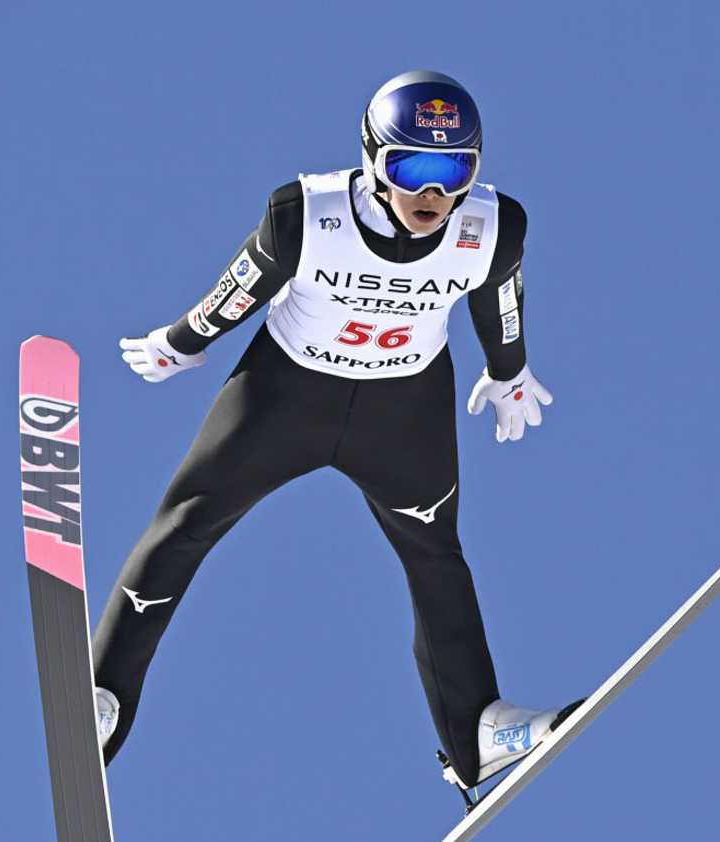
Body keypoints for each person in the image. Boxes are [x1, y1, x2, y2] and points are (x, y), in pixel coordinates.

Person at [92, 70, 576, 791]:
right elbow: (242, 285)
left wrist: (509, 372)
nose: (432, 194)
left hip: (403, 411)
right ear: (373, 161)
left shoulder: (493, 226)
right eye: (411, 167)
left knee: (435, 554)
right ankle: (104, 699)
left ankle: (476, 732)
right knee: (185, 525)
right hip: (285, 396)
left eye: (453, 171)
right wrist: (183, 341)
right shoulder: (306, 212)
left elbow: (500, 300)